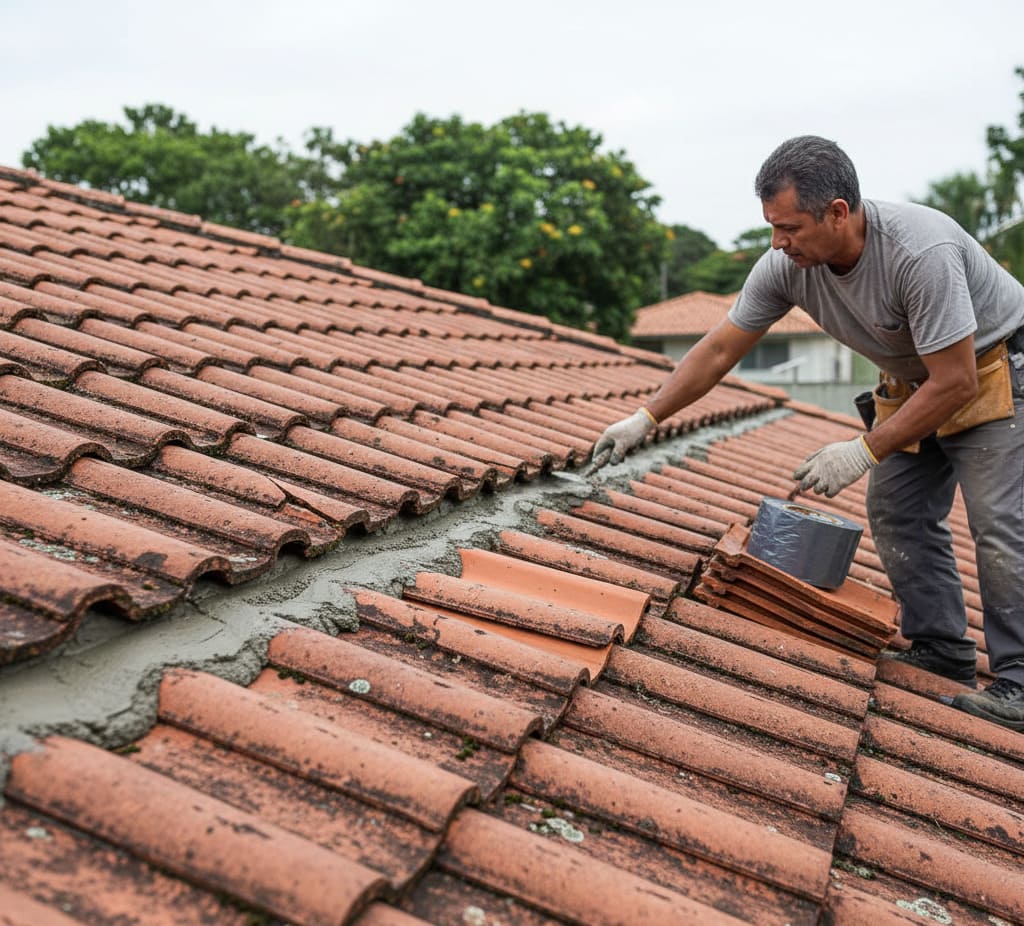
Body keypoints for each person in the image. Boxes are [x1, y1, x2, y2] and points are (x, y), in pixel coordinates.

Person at [590, 135, 1024, 732]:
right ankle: (942, 649)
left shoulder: (919, 252)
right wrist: (646, 417)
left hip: (996, 371)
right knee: (896, 510)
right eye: (772, 226)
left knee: (999, 522)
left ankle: (1019, 680)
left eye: (789, 227)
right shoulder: (787, 268)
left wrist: (863, 449)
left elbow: (956, 381)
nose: (778, 242)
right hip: (915, 381)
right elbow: (719, 350)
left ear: (838, 213)